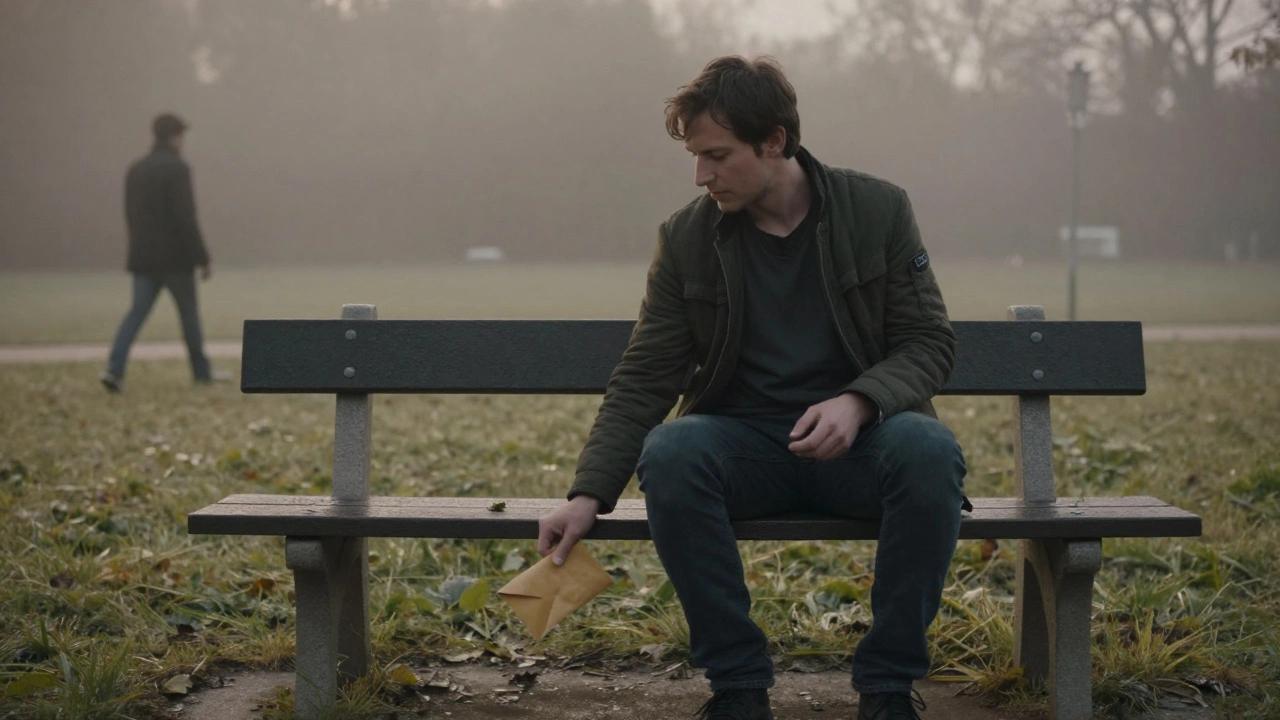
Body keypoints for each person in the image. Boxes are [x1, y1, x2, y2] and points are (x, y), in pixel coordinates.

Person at [537, 56, 969, 720]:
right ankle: (738, 687)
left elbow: (928, 341)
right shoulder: (686, 238)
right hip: (746, 453)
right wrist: (587, 494)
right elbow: (646, 376)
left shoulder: (878, 210)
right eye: (694, 157)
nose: (700, 175)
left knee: (930, 450)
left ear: (775, 141)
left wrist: (858, 402)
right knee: (674, 451)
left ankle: (887, 687)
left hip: (865, 447)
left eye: (716, 154)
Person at [101, 113, 227, 392]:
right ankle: (201, 372)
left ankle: (114, 368)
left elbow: (129, 214)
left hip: (143, 258)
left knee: (136, 313)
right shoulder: (178, 169)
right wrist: (202, 258)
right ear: (174, 137)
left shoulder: (136, 169)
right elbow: (185, 216)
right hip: (176, 260)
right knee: (189, 315)